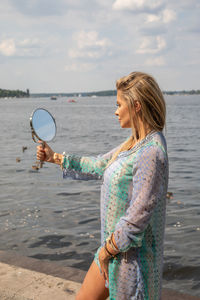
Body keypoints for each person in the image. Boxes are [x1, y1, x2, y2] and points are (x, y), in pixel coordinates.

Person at [37, 71, 168, 300]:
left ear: (136, 105)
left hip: (132, 263)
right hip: (112, 252)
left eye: (119, 104)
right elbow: (99, 164)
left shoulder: (152, 152)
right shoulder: (133, 145)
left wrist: (107, 252)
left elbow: (138, 217)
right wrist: (55, 157)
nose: (115, 111)